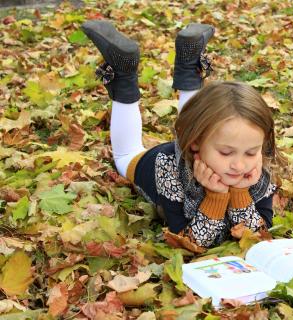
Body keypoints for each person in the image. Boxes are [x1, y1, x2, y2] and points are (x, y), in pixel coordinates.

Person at [81, 20, 282, 251]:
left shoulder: (258, 169)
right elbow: (191, 242)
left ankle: (189, 66)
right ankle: (124, 76)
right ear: (195, 143)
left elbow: (259, 235)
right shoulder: (170, 171)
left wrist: (239, 192)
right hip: (149, 161)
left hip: (197, 145)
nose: (238, 164)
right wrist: (216, 196)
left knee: (201, 119)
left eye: (250, 152)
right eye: (226, 152)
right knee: (126, 154)